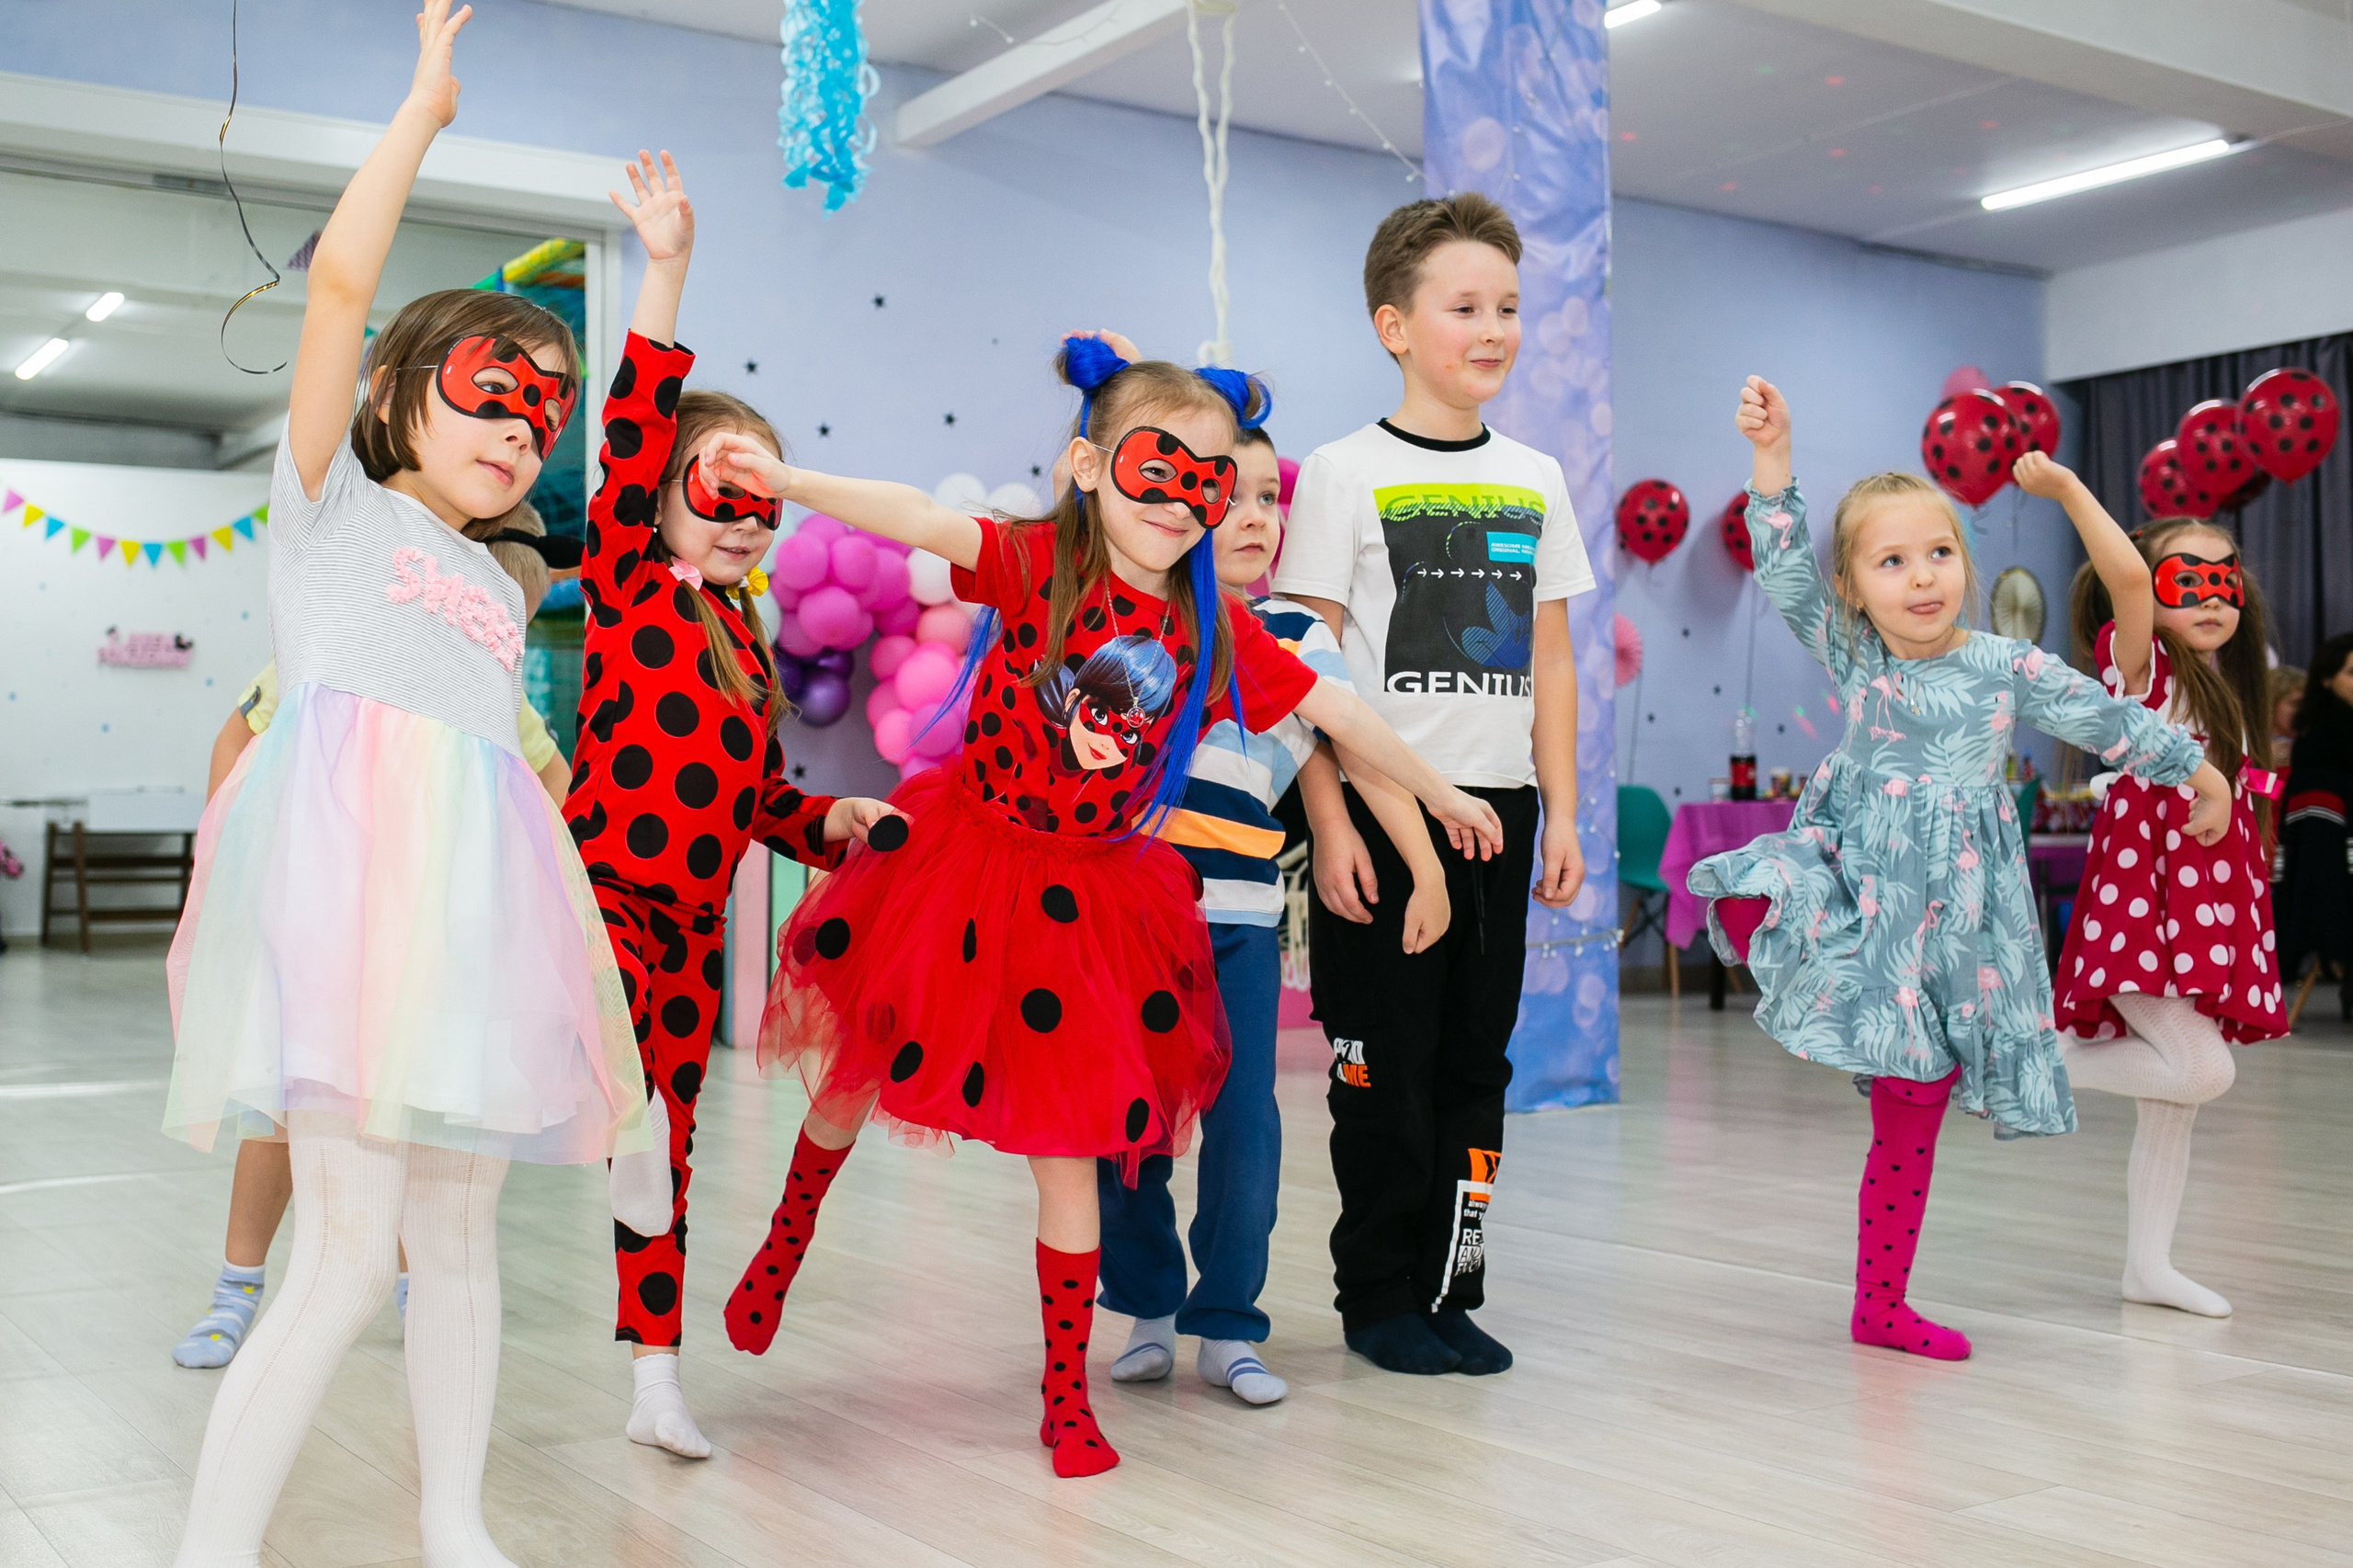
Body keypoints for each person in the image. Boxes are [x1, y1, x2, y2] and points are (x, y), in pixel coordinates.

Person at [710, 334, 1504, 1477]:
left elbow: (1338, 711)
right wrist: (786, 483)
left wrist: (1437, 796)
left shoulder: (1213, 628)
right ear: (1088, 465)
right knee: (854, 1067)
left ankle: (1062, 1398)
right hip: (965, 859)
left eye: (1210, 477)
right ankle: (782, 1247)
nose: (1186, 499)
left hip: (1093, 900)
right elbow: (913, 519)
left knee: (1068, 1146)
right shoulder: (1034, 564)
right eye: (1158, 467)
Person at [161, 8, 658, 1562]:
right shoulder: (326, 509)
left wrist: (675, 277)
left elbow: (508, 775)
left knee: (458, 1236)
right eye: (485, 389)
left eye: (543, 409)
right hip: (350, 910)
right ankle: (211, 1546)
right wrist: (424, 111)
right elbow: (337, 289)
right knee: (346, 1249)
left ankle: (455, 1521)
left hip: (475, 920)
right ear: (396, 394)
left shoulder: (502, 586)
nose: (519, 422)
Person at [1688, 378, 2230, 1361]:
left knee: (1917, 1108)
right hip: (1877, 904)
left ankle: (1878, 1302)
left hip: (1968, 919)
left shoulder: (2002, 663)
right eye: (1891, 561)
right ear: (1854, 586)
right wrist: (1774, 454)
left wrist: (2197, 769)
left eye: (1938, 553)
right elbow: (1779, 563)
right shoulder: (1854, 651)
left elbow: (2103, 718)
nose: (1922, 577)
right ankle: (1878, 1291)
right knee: (1891, 1068)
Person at [565, 151, 894, 1460]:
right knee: (618, 1124)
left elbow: (757, 797)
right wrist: (668, 266)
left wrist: (836, 827)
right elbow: (638, 412)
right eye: (725, 489)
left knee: (668, 1150)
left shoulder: (743, 638)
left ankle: (656, 1377)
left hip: (694, 929)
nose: (753, 515)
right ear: (662, 501)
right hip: (601, 906)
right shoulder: (631, 585)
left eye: (770, 496)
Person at [1271, 192, 1594, 1378]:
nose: (1493, 328)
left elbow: (1550, 658)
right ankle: (1377, 1295)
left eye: (1507, 306)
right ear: (1394, 325)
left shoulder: (1536, 476)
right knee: (1381, 1066)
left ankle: (1454, 1286)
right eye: (1465, 306)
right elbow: (1298, 674)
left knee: (1475, 1065)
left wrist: (1558, 811)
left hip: (1498, 818)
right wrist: (1326, 817)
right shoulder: (1341, 472)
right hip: (1375, 809)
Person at [172, 502, 576, 1371]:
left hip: (428, 946)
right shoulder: (337, 643)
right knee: (280, 1116)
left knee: (411, 1113)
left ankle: (411, 1283)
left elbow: (550, 786)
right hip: (315, 925)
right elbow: (239, 735)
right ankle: (238, 1286)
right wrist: (232, 862)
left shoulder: (495, 688)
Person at [1096, 414, 1439, 1408]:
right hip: (1128, 917)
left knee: (1246, 1125)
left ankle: (1229, 1321)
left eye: (1267, 497)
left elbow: (1349, 739)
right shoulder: (1137, 622)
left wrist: (1414, 855)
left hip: (1241, 920)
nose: (1251, 515)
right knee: (1128, 1124)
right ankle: (1150, 1305)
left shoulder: (1295, 633)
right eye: (1228, 493)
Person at [2027, 452, 2284, 1318]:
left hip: (2212, 906)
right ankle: (2042, 1058)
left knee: (2171, 1106)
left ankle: (2149, 1266)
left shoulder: (2228, 688)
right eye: (2189, 581)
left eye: (2225, 582)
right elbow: (2128, 583)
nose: (2211, 598)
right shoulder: (2138, 672)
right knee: (2201, 1071)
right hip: (2148, 904)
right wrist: (2067, 491)